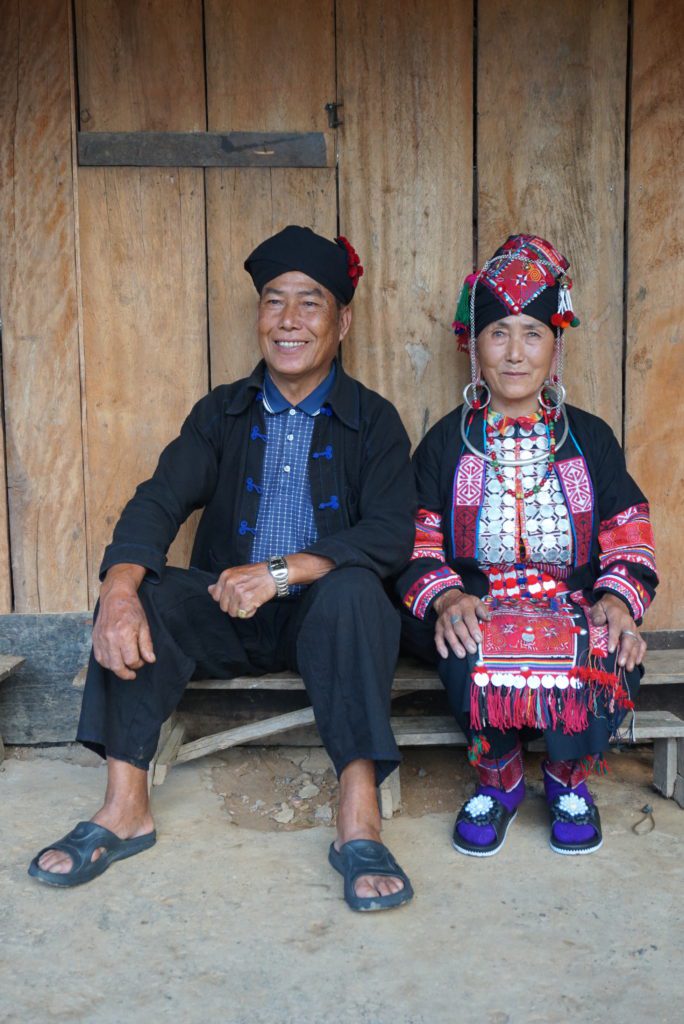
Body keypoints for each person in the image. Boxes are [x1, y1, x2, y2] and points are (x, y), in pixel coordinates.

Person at [29, 225, 415, 911]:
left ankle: (357, 823)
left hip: (324, 619)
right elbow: (158, 499)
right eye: (273, 302)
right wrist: (118, 588)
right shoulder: (223, 412)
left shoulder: (373, 421)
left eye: (310, 302)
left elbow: (390, 535)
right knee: (142, 594)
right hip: (228, 611)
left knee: (357, 589)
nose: (288, 321)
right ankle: (125, 809)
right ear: (259, 317)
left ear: (343, 319)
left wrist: (282, 570)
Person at [398, 234, 658, 857]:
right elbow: (414, 541)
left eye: (533, 334)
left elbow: (628, 534)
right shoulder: (445, 442)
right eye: (499, 334)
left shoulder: (589, 438)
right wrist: (446, 598)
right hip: (481, 602)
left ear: (553, 346)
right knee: (461, 639)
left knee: (611, 645)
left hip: (571, 603)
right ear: (475, 346)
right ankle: (500, 776)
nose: (515, 354)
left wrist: (619, 603)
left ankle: (569, 780)